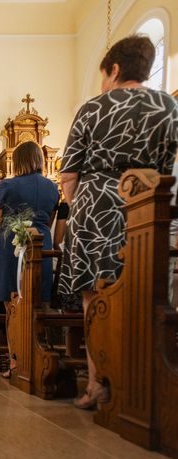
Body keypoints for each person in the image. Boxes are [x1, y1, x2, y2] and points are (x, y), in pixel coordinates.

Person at [58, 35, 178, 409]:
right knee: (146, 288)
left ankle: (98, 384)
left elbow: (69, 175)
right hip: (151, 203)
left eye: (103, 76)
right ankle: (148, 382)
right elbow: (169, 162)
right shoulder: (169, 107)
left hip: (96, 206)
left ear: (114, 69)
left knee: (95, 297)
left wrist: (80, 206)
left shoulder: (93, 109)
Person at [0, 140, 59, 378]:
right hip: (42, 245)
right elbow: (49, 221)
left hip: (11, 246)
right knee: (40, 301)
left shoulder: (7, 185)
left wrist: (7, 249)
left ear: (16, 161)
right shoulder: (52, 187)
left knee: (13, 305)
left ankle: (15, 361)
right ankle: (41, 357)